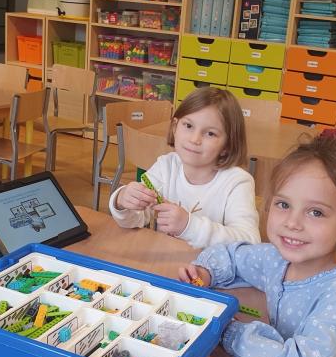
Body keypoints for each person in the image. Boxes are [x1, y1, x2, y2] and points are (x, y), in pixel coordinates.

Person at [178, 129, 336, 357]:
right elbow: (232, 256)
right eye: (283, 205)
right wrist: (205, 272)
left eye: (316, 212)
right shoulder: (278, 259)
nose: (292, 223)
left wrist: (229, 332)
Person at [109, 87, 260, 248]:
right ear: (175, 127)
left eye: (210, 133)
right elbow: (134, 220)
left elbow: (249, 243)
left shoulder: (237, 182)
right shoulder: (165, 166)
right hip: (164, 258)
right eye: (188, 126)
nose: (195, 139)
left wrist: (189, 226)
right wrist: (122, 201)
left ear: (227, 145)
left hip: (211, 264)